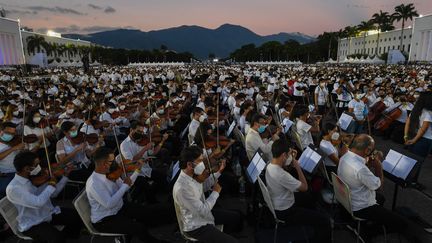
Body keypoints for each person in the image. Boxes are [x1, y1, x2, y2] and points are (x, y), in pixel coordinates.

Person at [338, 134, 425, 242]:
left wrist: (369, 163)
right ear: (367, 150)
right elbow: (378, 186)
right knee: (402, 223)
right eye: (371, 149)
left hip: (347, 199)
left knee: (381, 199)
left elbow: (360, 168)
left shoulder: (345, 156)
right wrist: (378, 166)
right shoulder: (360, 169)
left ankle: (370, 222)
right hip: (360, 207)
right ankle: (367, 232)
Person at [86, 147, 171, 243]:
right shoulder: (94, 183)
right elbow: (109, 204)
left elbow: (126, 186)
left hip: (119, 207)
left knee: (146, 212)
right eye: (112, 161)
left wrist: (137, 171)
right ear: (103, 164)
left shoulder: (110, 173)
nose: (115, 164)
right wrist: (124, 186)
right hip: (105, 219)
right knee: (139, 228)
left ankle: (166, 219)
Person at [6, 150, 82, 242]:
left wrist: (65, 176)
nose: (40, 167)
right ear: (27, 169)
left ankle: (70, 236)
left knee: (75, 215)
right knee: (57, 239)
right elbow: (38, 203)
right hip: (33, 222)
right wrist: (50, 184)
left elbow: (54, 194)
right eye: (37, 165)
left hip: (47, 213)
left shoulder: (34, 178)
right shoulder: (14, 188)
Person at [265, 139, 332, 243]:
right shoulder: (281, 175)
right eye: (288, 155)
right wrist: (297, 167)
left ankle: (310, 222)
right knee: (324, 221)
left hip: (279, 202)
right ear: (283, 155)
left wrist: (292, 159)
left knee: (309, 198)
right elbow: (304, 187)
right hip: (286, 211)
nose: (289, 157)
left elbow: (283, 171)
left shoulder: (270, 164)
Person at [173, 146, 239, 243]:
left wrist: (219, 172)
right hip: (196, 227)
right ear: (189, 164)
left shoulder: (192, 175)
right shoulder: (182, 188)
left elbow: (203, 186)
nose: (203, 164)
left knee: (236, 216)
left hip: (206, 216)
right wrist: (216, 192)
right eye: (200, 161)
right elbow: (203, 210)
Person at [404, 92, 432, 158]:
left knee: (409, 158)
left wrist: (405, 136)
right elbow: (423, 129)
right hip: (425, 139)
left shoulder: (415, 110)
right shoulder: (429, 113)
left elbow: (407, 123)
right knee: (417, 159)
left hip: (413, 135)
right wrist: (414, 140)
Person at [0, 122, 24, 198]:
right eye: (8, 132)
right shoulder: (13, 145)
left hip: (19, 170)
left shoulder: (14, 141)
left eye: (13, 134)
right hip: (8, 173)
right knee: (7, 190)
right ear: (1, 131)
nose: (10, 135)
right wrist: (14, 148)